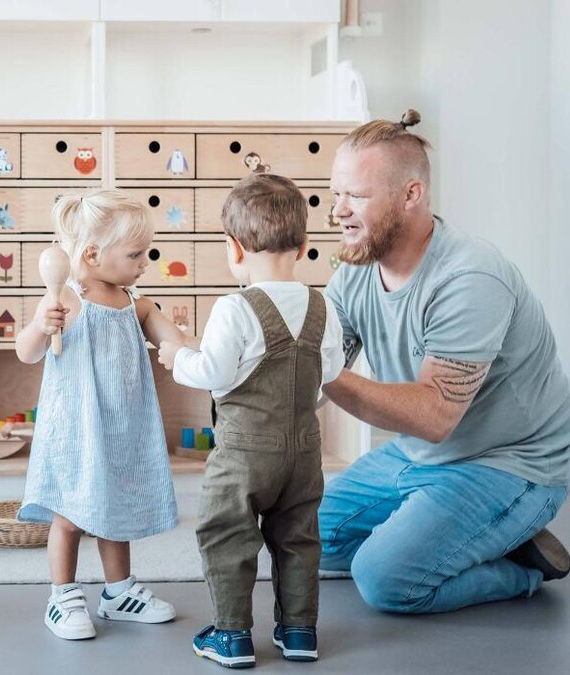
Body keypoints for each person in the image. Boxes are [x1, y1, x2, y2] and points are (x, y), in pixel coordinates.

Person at [319, 110, 570, 614]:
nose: (338, 211)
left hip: (510, 463)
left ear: (411, 194)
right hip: (417, 456)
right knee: (307, 542)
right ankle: (461, 537)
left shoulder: (470, 277)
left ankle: (520, 567)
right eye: (336, 194)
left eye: (355, 195)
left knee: (383, 579)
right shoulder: (355, 272)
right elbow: (319, 361)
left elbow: (434, 416)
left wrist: (321, 370)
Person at [157, 173, 344, 668]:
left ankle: (232, 635)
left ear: (234, 249)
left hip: (243, 452)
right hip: (304, 450)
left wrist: (177, 355)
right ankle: (300, 631)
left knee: (228, 535)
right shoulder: (322, 306)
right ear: (303, 245)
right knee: (299, 537)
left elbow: (213, 371)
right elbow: (330, 375)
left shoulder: (234, 307)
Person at [15, 189, 190, 640]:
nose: (144, 262)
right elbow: (26, 352)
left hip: (122, 427)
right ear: (93, 254)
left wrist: (191, 348)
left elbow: (176, 343)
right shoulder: (68, 298)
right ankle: (63, 595)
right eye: (136, 254)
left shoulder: (135, 302)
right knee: (69, 515)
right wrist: (40, 326)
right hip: (77, 428)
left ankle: (118, 591)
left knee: (116, 510)